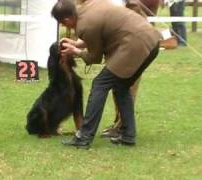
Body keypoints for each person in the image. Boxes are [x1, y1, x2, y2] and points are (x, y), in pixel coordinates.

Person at [51, 0, 161, 149]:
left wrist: (75, 51)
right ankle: (128, 136)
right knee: (121, 86)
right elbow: (102, 31)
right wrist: (77, 44)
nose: (65, 26)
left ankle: (84, 136)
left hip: (136, 44)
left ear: (66, 19)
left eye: (63, 23)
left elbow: (94, 57)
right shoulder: (90, 5)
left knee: (100, 84)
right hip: (152, 40)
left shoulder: (85, 25)